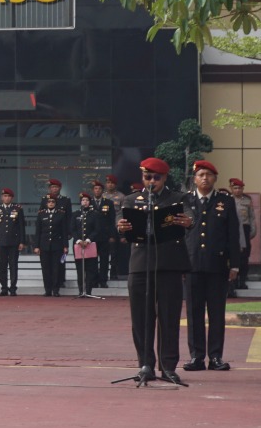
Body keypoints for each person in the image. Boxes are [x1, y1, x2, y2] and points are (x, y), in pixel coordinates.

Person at [116, 157, 193, 385]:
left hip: (169, 264)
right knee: (141, 318)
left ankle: (168, 366)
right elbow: (120, 218)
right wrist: (120, 226)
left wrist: (187, 221)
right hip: (140, 266)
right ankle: (145, 364)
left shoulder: (178, 198)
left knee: (169, 318)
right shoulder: (131, 200)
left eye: (156, 178)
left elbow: (191, 216)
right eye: (147, 177)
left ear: (164, 178)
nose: (151, 181)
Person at [182, 160, 242, 372]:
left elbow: (233, 235)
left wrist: (234, 265)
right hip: (192, 265)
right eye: (200, 175)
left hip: (218, 265)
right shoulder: (186, 201)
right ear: (194, 179)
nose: (204, 178)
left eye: (208, 174)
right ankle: (196, 357)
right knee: (194, 313)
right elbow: (180, 236)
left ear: (215, 178)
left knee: (216, 313)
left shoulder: (225, 201)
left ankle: (215, 357)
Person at [0, 188, 26, 296]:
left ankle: (13, 288)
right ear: (2, 197)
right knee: (2, 265)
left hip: (14, 241)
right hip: (1, 242)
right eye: (5, 196)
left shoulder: (17, 209)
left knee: (13, 266)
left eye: (8, 196)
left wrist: (22, 242)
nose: (6, 198)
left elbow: (21, 227)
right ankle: (4, 288)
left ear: (12, 198)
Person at [33, 192, 69, 296]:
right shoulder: (41, 214)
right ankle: (47, 290)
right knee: (46, 268)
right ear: (46, 203)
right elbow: (38, 231)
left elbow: (64, 231)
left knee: (56, 268)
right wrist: (36, 246)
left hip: (57, 245)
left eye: (53, 201)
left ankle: (56, 289)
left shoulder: (61, 214)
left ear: (56, 203)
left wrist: (65, 246)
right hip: (44, 245)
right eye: (49, 201)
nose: (51, 203)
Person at [72, 192, 104, 298]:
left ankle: (89, 291)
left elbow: (97, 229)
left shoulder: (94, 214)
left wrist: (88, 240)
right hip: (78, 245)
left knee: (90, 269)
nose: (84, 202)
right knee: (80, 269)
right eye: (83, 200)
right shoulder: (76, 214)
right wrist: (78, 240)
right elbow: (72, 229)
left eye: (86, 200)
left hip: (90, 244)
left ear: (89, 202)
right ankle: (81, 290)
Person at [45, 179, 72, 291]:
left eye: (56, 187)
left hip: (62, 234)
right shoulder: (44, 200)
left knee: (61, 259)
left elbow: (69, 217)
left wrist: (69, 232)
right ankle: (52, 282)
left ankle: (61, 280)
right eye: (52, 187)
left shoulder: (65, 200)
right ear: (49, 188)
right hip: (49, 235)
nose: (54, 189)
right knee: (50, 262)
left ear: (60, 188)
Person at [228, 178, 254, 292]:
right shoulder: (227, 200)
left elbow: (252, 217)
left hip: (245, 228)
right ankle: (232, 282)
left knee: (244, 257)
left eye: (239, 188)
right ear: (231, 189)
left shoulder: (247, 201)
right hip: (232, 229)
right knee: (233, 256)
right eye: (235, 188)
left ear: (243, 189)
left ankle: (242, 281)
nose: (237, 190)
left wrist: (253, 231)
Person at [102, 176, 129, 284]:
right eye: (108, 182)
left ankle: (113, 272)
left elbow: (124, 213)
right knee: (103, 251)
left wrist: (123, 233)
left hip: (116, 226)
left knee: (114, 252)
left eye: (112, 183)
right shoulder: (103, 196)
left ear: (115, 184)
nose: (110, 185)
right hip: (104, 227)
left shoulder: (121, 196)